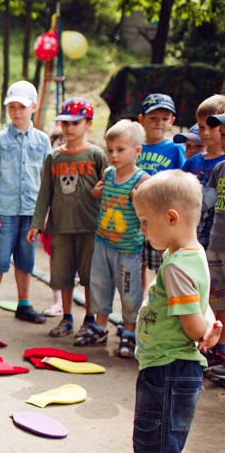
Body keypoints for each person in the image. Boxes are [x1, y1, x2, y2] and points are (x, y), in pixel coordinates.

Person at [115, 169, 222, 453]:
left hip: (171, 370)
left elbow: (193, 326)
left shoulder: (176, 267)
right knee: (162, 445)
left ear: (171, 218)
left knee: (166, 450)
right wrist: (209, 323)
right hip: (168, 368)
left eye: (145, 223)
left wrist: (204, 330)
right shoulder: (190, 254)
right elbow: (204, 307)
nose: (143, 231)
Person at [27, 98, 107, 339]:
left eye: (76, 122)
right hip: (60, 227)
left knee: (90, 275)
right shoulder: (54, 157)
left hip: (90, 226)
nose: (69, 128)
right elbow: (45, 192)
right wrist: (36, 223)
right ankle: (67, 317)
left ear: (88, 124)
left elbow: (108, 187)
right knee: (62, 275)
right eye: (64, 123)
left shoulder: (95, 154)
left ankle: (90, 319)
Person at [0, 81, 51, 327]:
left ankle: (24, 303)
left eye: (22, 107)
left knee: (25, 260)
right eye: (12, 107)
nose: (17, 112)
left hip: (30, 212)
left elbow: (46, 179)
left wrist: (44, 214)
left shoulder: (42, 141)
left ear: (34, 107)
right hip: (3, 211)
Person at [75, 119, 150, 357]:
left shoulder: (141, 180)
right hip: (103, 243)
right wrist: (97, 191)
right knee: (99, 285)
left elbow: (146, 211)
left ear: (137, 151)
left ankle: (129, 333)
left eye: (120, 150)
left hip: (127, 248)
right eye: (110, 150)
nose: (114, 155)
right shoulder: (108, 174)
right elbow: (98, 192)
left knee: (129, 291)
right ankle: (99, 328)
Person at [136, 94, 185, 289]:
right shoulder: (135, 147)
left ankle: (159, 308)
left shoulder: (175, 148)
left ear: (172, 121)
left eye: (165, 118)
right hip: (135, 217)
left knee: (163, 267)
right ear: (142, 120)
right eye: (153, 118)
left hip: (162, 218)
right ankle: (138, 309)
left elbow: (182, 181)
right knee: (137, 263)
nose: (159, 123)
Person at [182, 95, 225, 250]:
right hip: (193, 230)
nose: (205, 133)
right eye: (201, 127)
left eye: (211, 127)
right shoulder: (192, 162)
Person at [203, 111, 225, 384]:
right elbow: (207, 205)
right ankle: (217, 349)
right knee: (216, 299)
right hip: (216, 245)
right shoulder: (219, 168)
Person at [40, 129, 68, 316]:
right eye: (60, 143)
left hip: (76, 224)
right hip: (55, 222)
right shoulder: (50, 165)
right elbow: (45, 194)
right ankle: (58, 302)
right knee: (55, 261)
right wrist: (45, 216)